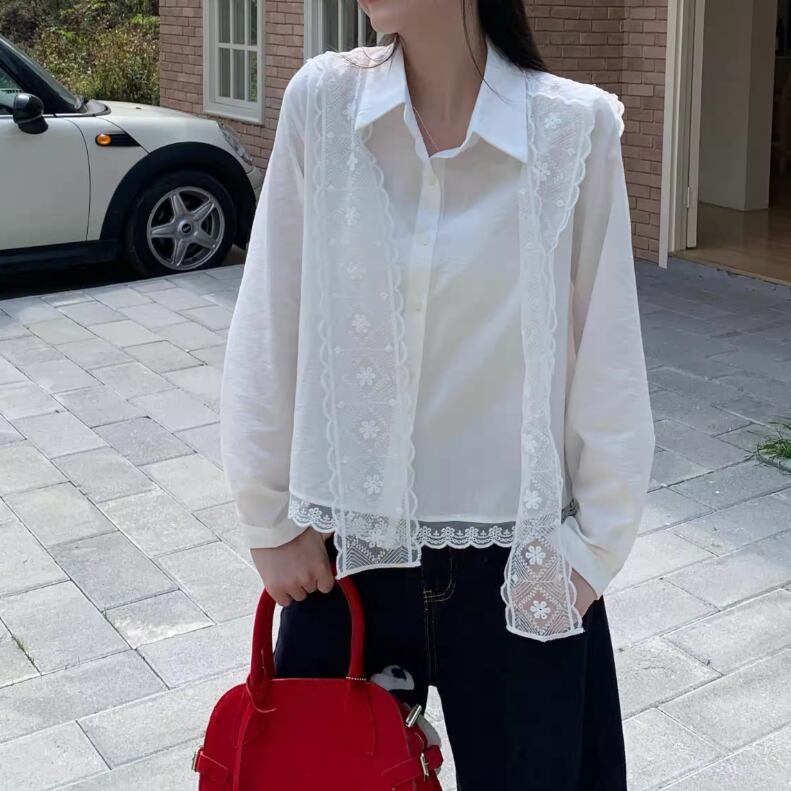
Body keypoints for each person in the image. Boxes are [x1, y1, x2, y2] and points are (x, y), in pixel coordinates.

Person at [219, 1, 655, 788]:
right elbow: (270, 317)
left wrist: (589, 554)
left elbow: (607, 353)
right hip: (339, 556)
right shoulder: (323, 104)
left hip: (522, 565)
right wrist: (269, 520)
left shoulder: (572, 128)